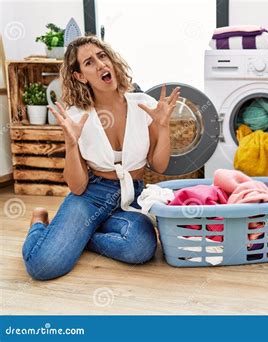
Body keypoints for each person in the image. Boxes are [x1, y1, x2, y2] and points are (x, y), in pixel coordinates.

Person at [22, 36, 180, 280]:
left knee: (140, 247)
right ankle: (39, 223)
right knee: (43, 266)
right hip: (92, 196)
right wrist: (72, 143)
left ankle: (81, 236)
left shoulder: (143, 105)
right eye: (89, 62)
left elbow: (158, 165)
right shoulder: (77, 116)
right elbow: (77, 185)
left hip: (132, 194)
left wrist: (163, 126)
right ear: (80, 76)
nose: (100, 64)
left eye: (102, 56)